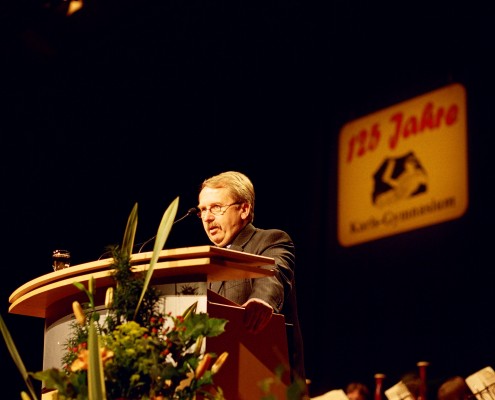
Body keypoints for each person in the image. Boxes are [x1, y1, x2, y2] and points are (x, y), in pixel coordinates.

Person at [196, 171, 306, 384]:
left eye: (216, 208)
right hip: (220, 380)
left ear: (244, 209)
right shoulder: (207, 262)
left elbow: (273, 273)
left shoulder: (270, 240)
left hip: (269, 378)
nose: (208, 217)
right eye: (203, 210)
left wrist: (262, 301)